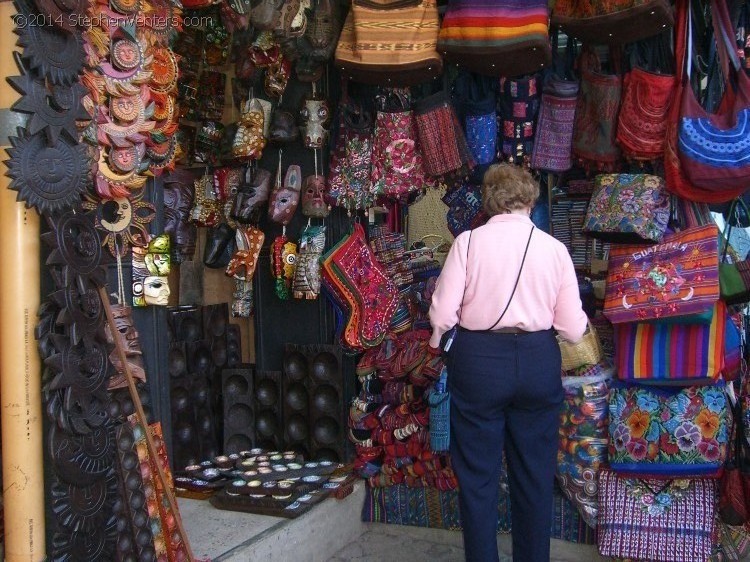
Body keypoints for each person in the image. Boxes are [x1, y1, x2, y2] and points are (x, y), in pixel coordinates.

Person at [429, 163, 587, 562]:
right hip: (537, 362)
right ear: (530, 200)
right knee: (534, 479)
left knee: (478, 478)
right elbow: (572, 328)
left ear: (489, 201)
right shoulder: (555, 250)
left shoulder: (467, 243)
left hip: (479, 363)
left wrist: (440, 342)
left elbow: (443, 315)